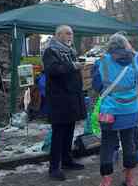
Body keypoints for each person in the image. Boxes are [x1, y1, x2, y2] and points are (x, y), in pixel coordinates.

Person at [92, 33, 138, 186]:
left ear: (109, 46)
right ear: (126, 45)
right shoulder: (135, 59)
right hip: (130, 110)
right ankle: (130, 178)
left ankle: (106, 180)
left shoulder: (101, 62)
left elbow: (97, 85)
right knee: (129, 142)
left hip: (109, 111)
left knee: (107, 145)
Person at [42, 25, 87, 181]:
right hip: (59, 100)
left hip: (71, 99)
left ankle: (67, 161)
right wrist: (73, 66)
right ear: (58, 35)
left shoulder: (71, 51)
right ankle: (54, 167)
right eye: (68, 33)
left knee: (69, 131)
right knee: (58, 134)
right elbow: (53, 69)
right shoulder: (51, 51)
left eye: (72, 34)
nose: (70, 36)